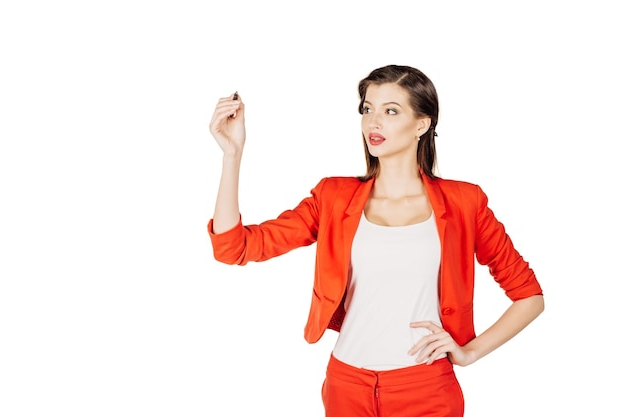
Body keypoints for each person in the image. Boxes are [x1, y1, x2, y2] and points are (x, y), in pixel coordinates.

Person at [207, 65, 544, 417]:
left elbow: (529, 296)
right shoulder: (334, 197)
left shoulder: (465, 202)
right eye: (367, 109)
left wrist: (469, 352)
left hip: (427, 388)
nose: (373, 122)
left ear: (422, 124)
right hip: (346, 386)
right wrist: (232, 155)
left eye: (391, 111)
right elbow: (235, 248)